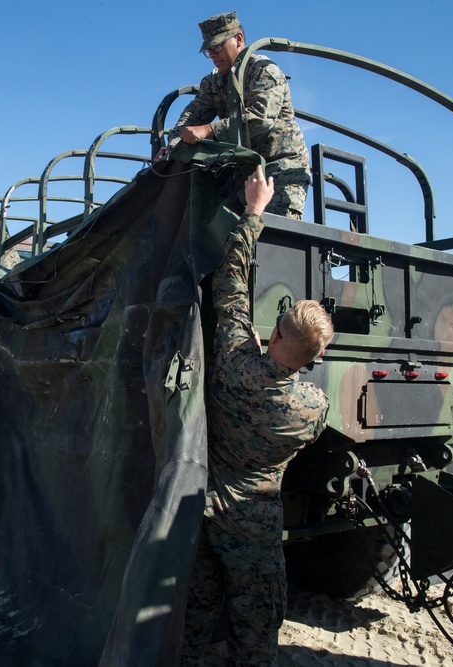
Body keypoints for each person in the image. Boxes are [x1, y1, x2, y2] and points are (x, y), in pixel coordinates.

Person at [180, 166, 334, 666]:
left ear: (272, 335)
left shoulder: (231, 360)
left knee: (194, 622)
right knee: (256, 632)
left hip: (205, 511)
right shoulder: (311, 408)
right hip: (254, 526)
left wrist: (253, 212)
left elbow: (229, 286)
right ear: (312, 362)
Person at [165, 11, 311, 219]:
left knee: (272, 241)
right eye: (209, 51)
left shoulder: (263, 71)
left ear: (239, 39)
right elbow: (193, 115)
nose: (213, 55)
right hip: (243, 172)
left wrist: (209, 130)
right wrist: (173, 146)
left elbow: (260, 119)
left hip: (280, 170)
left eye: (217, 47)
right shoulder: (214, 82)